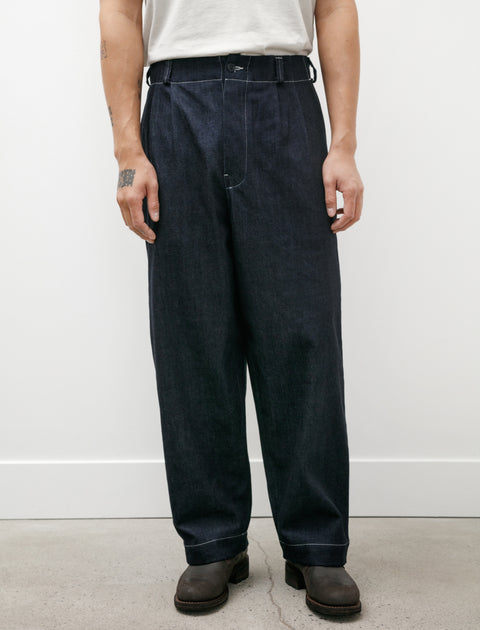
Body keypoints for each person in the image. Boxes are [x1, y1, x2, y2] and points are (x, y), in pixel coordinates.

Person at [99, 0, 364, 617]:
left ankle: (316, 543)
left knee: (302, 331)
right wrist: (128, 153)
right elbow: (119, 14)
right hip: (175, 106)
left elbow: (334, 9)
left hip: (286, 102)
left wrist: (344, 144)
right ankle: (212, 541)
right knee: (192, 336)